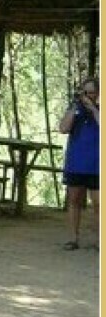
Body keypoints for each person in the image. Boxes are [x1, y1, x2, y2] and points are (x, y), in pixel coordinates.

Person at [58, 78, 100, 250]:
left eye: (92, 92)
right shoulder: (75, 108)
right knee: (74, 200)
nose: (88, 96)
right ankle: (73, 238)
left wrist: (93, 109)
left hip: (97, 163)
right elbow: (63, 128)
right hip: (76, 162)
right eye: (86, 92)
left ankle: (100, 239)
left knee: (99, 203)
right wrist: (75, 106)